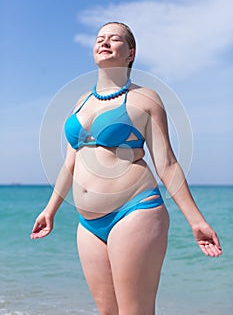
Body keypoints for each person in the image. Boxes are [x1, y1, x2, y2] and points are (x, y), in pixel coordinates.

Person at [31, 22, 222, 315]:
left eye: (114, 39)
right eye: (100, 39)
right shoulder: (80, 102)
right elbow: (71, 162)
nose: (104, 43)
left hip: (135, 211)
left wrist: (196, 221)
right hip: (88, 224)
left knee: (135, 312)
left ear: (130, 53)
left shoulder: (145, 99)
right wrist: (50, 209)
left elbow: (167, 163)